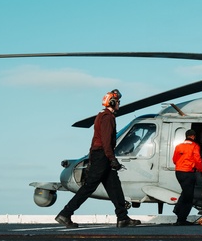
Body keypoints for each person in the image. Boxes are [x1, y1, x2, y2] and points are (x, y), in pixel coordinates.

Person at [55, 89, 140, 228]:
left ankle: (122, 217)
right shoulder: (108, 118)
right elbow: (106, 142)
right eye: (118, 101)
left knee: (115, 187)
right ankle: (65, 214)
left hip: (99, 155)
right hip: (103, 156)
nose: (119, 104)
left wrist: (92, 158)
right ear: (112, 102)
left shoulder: (101, 116)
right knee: (89, 187)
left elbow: (95, 140)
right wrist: (112, 159)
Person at [173, 129, 202, 226]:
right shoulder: (195, 146)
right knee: (189, 197)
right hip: (188, 173)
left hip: (178, 172)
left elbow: (174, 159)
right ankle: (181, 219)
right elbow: (197, 159)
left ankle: (177, 209)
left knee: (185, 191)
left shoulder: (179, 146)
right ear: (193, 136)